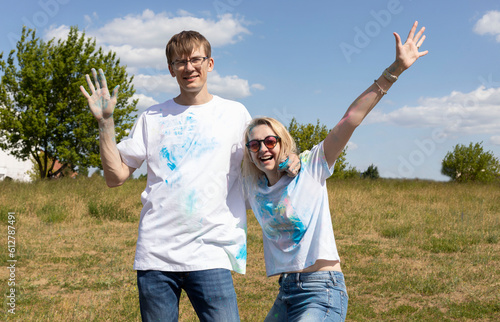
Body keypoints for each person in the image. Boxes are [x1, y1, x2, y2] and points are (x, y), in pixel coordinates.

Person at [80, 30, 299, 321]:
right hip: (156, 256)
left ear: (210, 63)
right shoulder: (152, 117)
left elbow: (264, 154)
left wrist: (290, 157)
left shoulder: (235, 114)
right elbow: (115, 176)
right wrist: (106, 123)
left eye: (196, 59)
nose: (188, 67)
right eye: (180, 62)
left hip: (212, 253)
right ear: (171, 69)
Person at [241, 21, 428, 321]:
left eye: (270, 140)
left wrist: (395, 70)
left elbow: (350, 119)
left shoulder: (312, 166)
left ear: (281, 142)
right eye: (254, 145)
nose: (262, 148)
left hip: (322, 290)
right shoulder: (252, 186)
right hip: (286, 292)